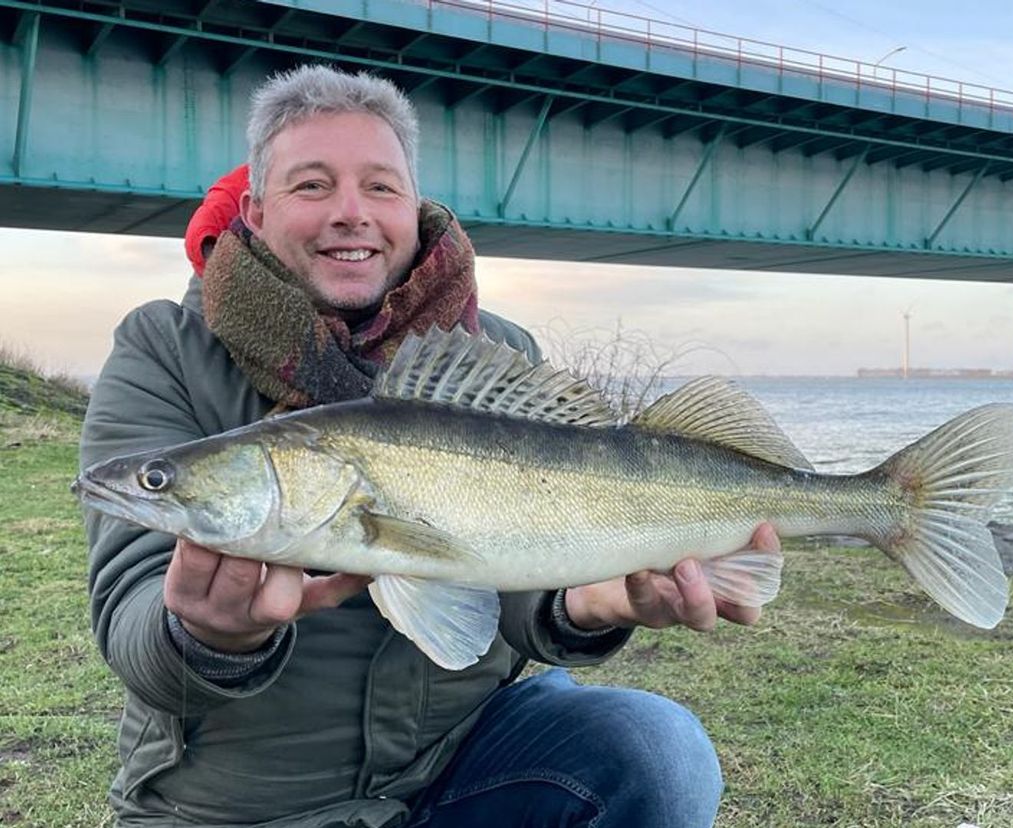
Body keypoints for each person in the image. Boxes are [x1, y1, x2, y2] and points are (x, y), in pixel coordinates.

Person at [80, 64, 782, 828]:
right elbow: (133, 628)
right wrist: (210, 636)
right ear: (254, 209)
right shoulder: (165, 347)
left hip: (462, 761)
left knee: (658, 749)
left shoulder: (495, 348)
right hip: (241, 808)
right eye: (312, 186)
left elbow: (506, 589)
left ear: (413, 205)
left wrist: (578, 607)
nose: (352, 213)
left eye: (381, 187)